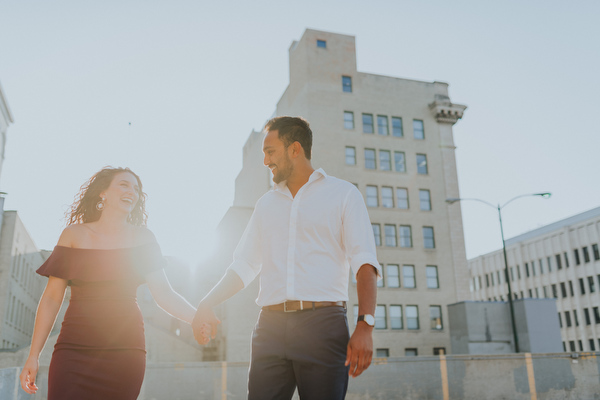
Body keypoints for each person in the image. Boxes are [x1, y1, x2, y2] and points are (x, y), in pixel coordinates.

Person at [192, 116, 381, 400]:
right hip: (270, 327)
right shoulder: (266, 204)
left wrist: (365, 325)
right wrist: (207, 301)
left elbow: (364, 262)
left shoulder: (343, 194)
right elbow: (244, 265)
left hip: (323, 326)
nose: (266, 161)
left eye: (270, 152)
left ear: (295, 149)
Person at [19, 167, 201, 400]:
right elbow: (52, 298)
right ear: (102, 193)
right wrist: (33, 355)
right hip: (73, 351)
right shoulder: (74, 235)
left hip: (124, 353)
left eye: (136, 189)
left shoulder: (143, 238)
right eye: (124, 185)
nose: (132, 192)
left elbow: (164, 294)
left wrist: (198, 317)